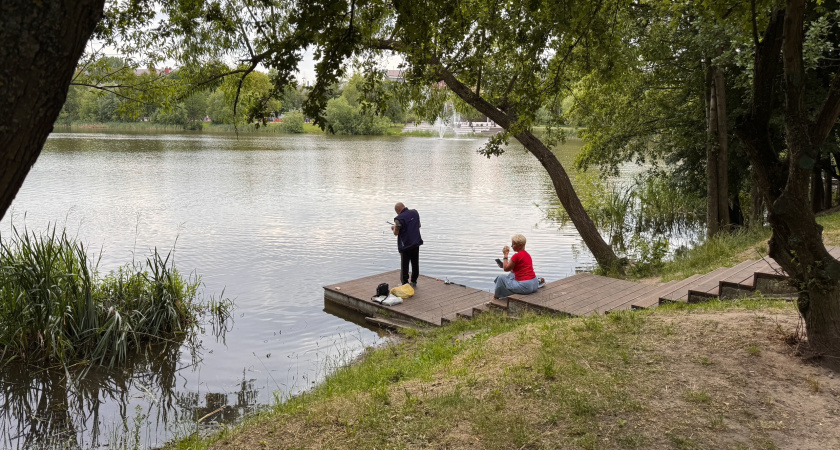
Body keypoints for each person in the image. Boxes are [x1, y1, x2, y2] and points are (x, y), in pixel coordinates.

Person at [493, 234, 544, 299]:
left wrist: (505, 255)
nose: (511, 246)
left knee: (500, 278)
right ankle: (502, 294)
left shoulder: (516, 256)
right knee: (511, 274)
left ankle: (495, 298)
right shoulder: (527, 254)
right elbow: (514, 269)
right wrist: (504, 265)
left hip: (525, 287)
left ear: (520, 245)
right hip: (534, 284)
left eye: (513, 244)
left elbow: (506, 269)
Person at [391, 202, 423, 287]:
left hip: (406, 246)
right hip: (416, 243)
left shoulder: (398, 218)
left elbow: (396, 233)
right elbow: (418, 225)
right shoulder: (415, 212)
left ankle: (405, 283)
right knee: (415, 263)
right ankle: (414, 281)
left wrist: (393, 228)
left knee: (405, 265)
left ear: (398, 210)